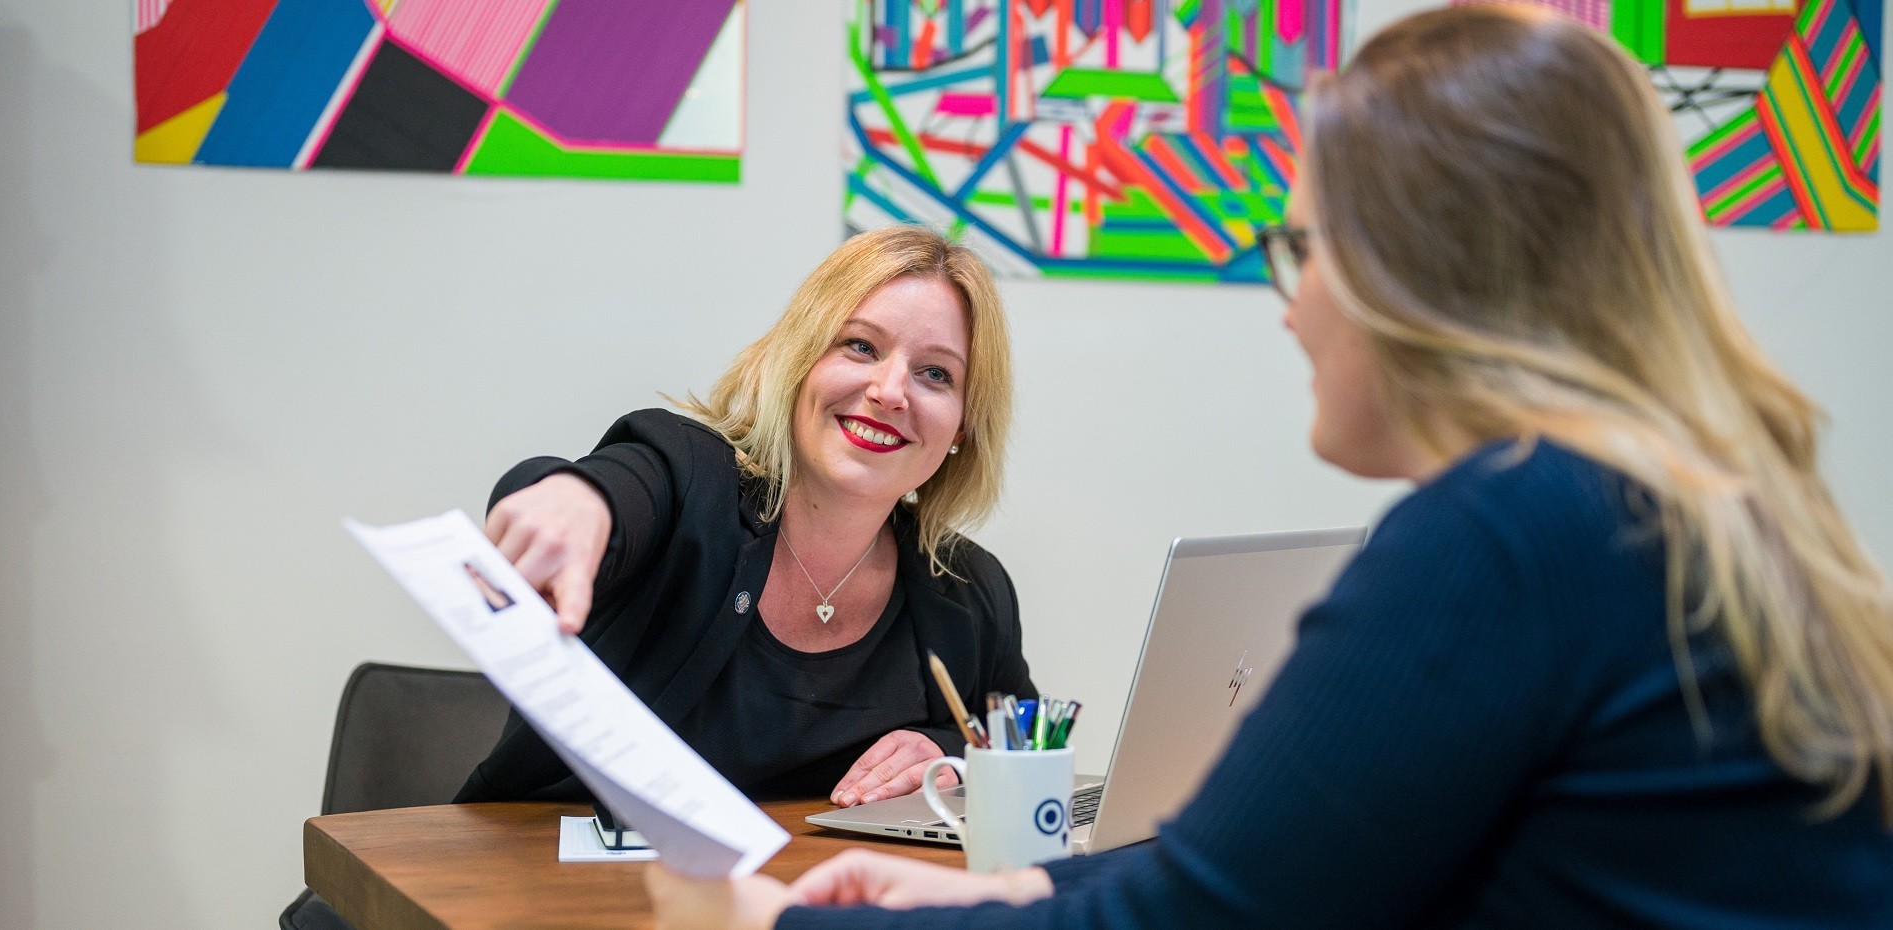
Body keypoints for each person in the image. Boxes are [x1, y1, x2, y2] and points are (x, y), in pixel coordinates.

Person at [645, 6, 1893, 927]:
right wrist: (1023, 878)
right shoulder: (1662, 504)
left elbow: (1203, 913)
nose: (1290, 308)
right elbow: (1259, 865)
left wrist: (775, 920)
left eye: (1305, 247)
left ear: (1421, 273)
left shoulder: (1514, 531)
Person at [455, 226, 1037, 807]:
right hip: (556, 881)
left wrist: (954, 758)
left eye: (936, 373)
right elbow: (609, 488)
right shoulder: (689, 478)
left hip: (812, 896)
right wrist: (573, 500)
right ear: (800, 361)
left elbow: (1030, 749)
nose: (890, 392)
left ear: (962, 425)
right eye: (860, 346)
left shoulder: (968, 588)